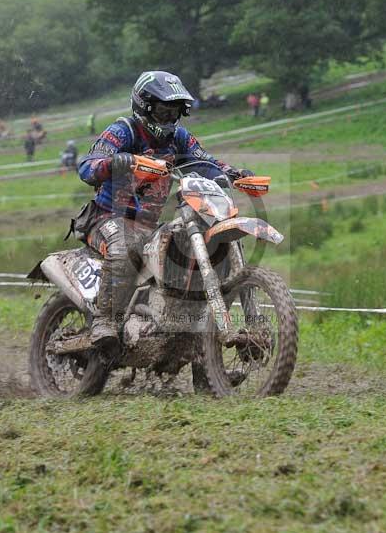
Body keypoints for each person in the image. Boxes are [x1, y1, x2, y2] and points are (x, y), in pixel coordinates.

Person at [78, 70, 254, 347]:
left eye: (174, 112)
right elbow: (87, 166)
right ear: (144, 106)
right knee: (125, 246)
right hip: (107, 218)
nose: (168, 118)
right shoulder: (122, 131)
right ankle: (104, 320)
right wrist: (114, 163)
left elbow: (204, 160)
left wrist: (233, 173)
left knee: (187, 249)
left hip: (149, 224)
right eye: (162, 111)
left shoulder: (179, 137)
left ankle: (199, 351)